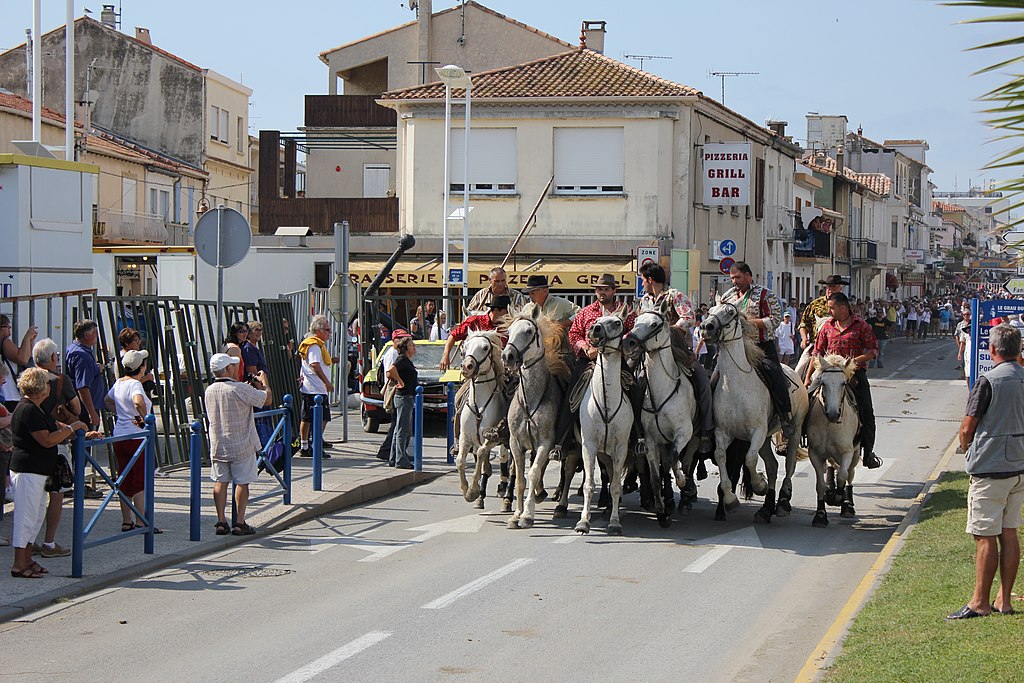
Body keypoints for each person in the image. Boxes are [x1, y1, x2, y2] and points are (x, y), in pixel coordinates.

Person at [950, 324, 1024, 619]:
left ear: (992, 350)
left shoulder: (988, 381)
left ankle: (980, 601)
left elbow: (968, 427)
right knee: (1009, 531)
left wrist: (968, 448)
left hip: (991, 466)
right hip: (1019, 464)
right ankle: (1003, 599)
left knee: (984, 535)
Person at [9, 368, 90, 578]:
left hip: (36, 470)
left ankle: (27, 559)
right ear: (40, 388)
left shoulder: (35, 408)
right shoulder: (28, 409)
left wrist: (79, 429)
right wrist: (73, 429)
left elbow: (55, 425)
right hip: (28, 470)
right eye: (46, 384)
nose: (49, 388)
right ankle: (19, 563)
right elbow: (46, 439)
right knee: (26, 517)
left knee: (35, 516)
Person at [637, 262, 714, 452]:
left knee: (702, 381)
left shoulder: (675, 295)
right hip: (648, 350)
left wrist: (667, 330)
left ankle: (706, 429)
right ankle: (635, 433)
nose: (642, 283)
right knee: (630, 379)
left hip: (676, 349)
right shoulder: (644, 300)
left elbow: (688, 318)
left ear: (650, 279)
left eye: (642, 280)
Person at [809, 293, 882, 469]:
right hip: (828, 373)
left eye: (831, 307)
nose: (829, 310)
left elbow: (873, 351)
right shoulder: (827, 326)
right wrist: (806, 380)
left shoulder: (861, 326)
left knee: (866, 409)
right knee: (807, 403)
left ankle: (868, 451)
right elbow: (817, 353)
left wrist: (852, 363)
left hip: (853, 375)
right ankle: (799, 439)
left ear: (843, 308)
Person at [720, 262, 794, 437]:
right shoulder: (727, 297)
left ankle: (784, 416)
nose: (734, 281)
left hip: (760, 346)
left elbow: (775, 319)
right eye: (732, 278)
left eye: (737, 277)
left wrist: (749, 323)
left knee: (774, 373)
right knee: (715, 377)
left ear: (748, 276)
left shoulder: (764, 295)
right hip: (733, 348)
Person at [205, 353, 272, 536]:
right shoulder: (239, 388)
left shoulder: (209, 390)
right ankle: (239, 522)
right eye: (233, 366)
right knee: (242, 483)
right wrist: (264, 384)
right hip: (241, 442)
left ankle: (220, 521)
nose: (236, 368)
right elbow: (266, 400)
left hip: (218, 443)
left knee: (220, 481)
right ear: (228, 369)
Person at [32, 338, 82, 557]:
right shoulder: (61, 380)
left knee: (33, 495)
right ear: (53, 358)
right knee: (56, 493)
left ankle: (28, 541)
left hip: (31, 441)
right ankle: (49, 543)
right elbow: (77, 408)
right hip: (58, 439)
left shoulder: (28, 378)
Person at [104, 349, 160, 533]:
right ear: (141, 367)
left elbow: (107, 400)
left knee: (124, 477)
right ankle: (142, 520)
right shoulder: (135, 384)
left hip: (120, 434)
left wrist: (120, 413)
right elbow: (138, 402)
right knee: (140, 480)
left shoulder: (119, 382)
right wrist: (144, 418)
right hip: (136, 436)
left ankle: (126, 520)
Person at [297, 314, 339, 458]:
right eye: (327, 330)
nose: (329, 333)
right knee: (322, 418)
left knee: (307, 418)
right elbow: (314, 365)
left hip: (311, 387)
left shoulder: (314, 344)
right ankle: (314, 446)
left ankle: (305, 446)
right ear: (319, 330)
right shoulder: (314, 345)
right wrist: (327, 382)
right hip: (315, 388)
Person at [439, 296, 511, 372]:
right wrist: (445, 356)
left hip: (501, 371)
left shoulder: (506, 327)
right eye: (506, 311)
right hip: (474, 369)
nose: (508, 315)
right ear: (496, 310)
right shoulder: (475, 321)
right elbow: (453, 336)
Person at [374, 330, 412, 462]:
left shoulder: (398, 354)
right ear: (394, 340)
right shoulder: (393, 354)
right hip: (396, 391)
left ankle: (393, 453)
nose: (404, 341)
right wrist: (400, 381)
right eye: (401, 339)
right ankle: (387, 451)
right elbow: (389, 373)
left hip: (399, 391)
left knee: (398, 424)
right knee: (398, 425)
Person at [65, 320, 107, 432]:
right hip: (84, 409)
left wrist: (94, 368)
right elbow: (83, 388)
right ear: (86, 335)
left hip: (77, 406)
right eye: (95, 333)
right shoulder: (82, 356)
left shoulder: (72, 349)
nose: (97, 336)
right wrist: (92, 413)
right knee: (85, 443)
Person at [385, 336, 418, 470]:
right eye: (411, 345)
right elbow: (390, 371)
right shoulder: (402, 360)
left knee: (401, 429)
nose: (414, 347)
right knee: (402, 430)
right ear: (405, 348)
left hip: (406, 397)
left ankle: (394, 457)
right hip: (404, 397)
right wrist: (400, 381)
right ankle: (400, 460)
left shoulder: (407, 361)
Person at [798, 275, 847, 355]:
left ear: (840, 288)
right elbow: (803, 324)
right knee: (800, 367)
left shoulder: (845, 305)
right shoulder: (815, 304)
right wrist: (804, 338)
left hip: (839, 346)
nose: (830, 289)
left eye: (833, 286)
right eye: (828, 287)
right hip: (815, 345)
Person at [1, 314, 38, 413]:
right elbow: (22, 358)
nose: (10, 330)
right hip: (10, 393)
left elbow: (26, 355)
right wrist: (27, 336)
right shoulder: (5, 342)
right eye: (7, 326)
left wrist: (30, 340)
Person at [118, 328, 157, 396]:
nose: (139, 343)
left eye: (139, 340)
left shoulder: (132, 356)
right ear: (127, 343)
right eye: (135, 340)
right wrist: (145, 378)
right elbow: (125, 383)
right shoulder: (124, 359)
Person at [956, 308, 972, 386]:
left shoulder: (973, 323)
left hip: (972, 347)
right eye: (964, 314)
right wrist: (960, 350)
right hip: (964, 345)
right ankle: (963, 375)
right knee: (964, 363)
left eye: (967, 314)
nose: (966, 316)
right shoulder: (960, 325)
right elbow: (957, 336)